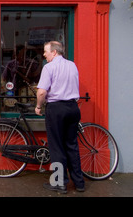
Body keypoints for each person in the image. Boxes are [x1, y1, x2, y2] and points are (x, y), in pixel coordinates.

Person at [35, 41, 85, 193]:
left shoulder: (49, 67)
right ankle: (79, 183)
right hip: (72, 108)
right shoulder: (72, 65)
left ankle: (59, 183)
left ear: (54, 52)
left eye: (46, 51)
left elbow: (42, 92)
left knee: (56, 146)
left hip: (56, 109)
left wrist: (38, 106)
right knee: (72, 145)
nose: (44, 54)